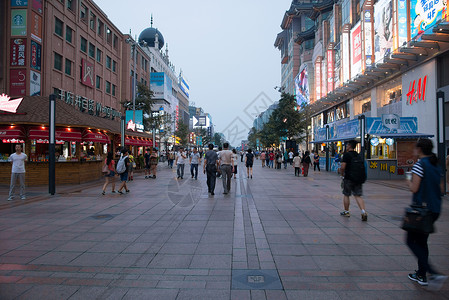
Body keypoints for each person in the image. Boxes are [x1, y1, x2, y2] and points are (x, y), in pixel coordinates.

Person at [406, 139, 447, 289]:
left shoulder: (419, 165)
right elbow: (442, 190)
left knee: (411, 241)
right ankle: (421, 275)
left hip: (421, 211)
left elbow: (414, 188)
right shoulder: (437, 165)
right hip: (435, 209)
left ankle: (432, 273)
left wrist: (408, 179)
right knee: (422, 242)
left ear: (420, 149)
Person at [339, 140, 367, 221]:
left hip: (348, 178)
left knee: (346, 194)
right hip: (358, 178)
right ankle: (363, 211)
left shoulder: (346, 155)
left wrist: (342, 175)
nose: (346, 146)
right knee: (358, 195)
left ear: (350, 146)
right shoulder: (358, 155)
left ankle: (346, 211)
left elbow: (343, 167)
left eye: (347, 145)